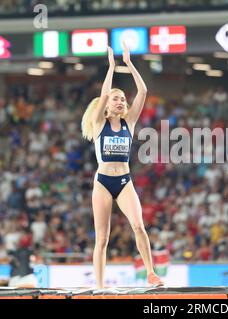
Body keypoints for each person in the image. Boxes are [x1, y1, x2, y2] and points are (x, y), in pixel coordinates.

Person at [81, 43, 164, 288]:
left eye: (122, 99)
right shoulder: (99, 123)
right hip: (103, 183)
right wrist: (111, 67)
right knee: (103, 239)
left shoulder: (129, 122)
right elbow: (104, 93)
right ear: (106, 105)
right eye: (116, 98)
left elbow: (144, 90)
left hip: (124, 181)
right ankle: (99, 286)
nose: (120, 101)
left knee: (139, 225)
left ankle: (151, 273)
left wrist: (129, 64)